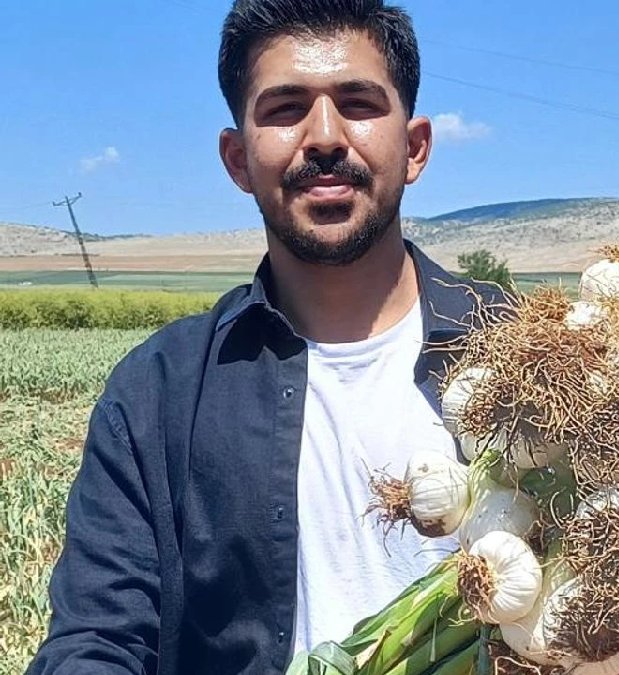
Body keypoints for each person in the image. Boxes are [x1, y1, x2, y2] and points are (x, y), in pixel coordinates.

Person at [25, 2, 506, 674]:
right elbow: (96, 638)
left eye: (358, 101)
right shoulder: (158, 395)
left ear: (417, 146)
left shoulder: (531, 357)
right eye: (285, 108)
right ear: (237, 159)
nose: (326, 136)